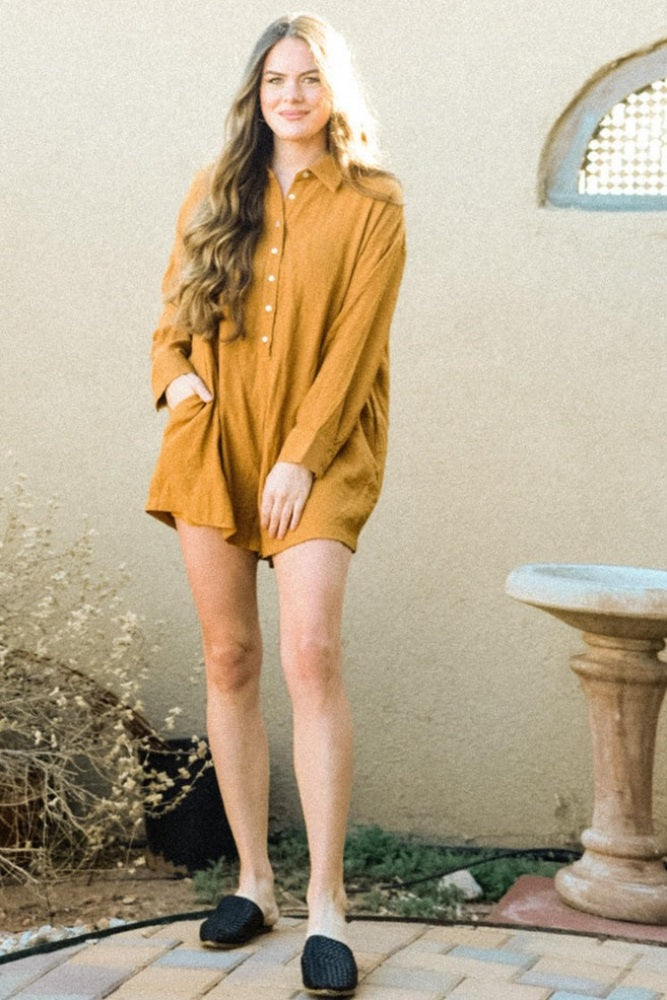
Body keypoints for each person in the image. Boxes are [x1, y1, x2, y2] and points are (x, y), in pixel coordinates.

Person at [146, 12, 405, 997]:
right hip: (213, 442)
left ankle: (327, 904)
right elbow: (170, 319)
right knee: (229, 656)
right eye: (274, 81)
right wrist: (178, 386)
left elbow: (354, 349)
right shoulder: (214, 187)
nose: (291, 95)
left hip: (320, 452)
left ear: (333, 91)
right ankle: (252, 881)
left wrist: (299, 457)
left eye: (308, 79)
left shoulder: (374, 202)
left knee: (310, 654)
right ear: (255, 95)